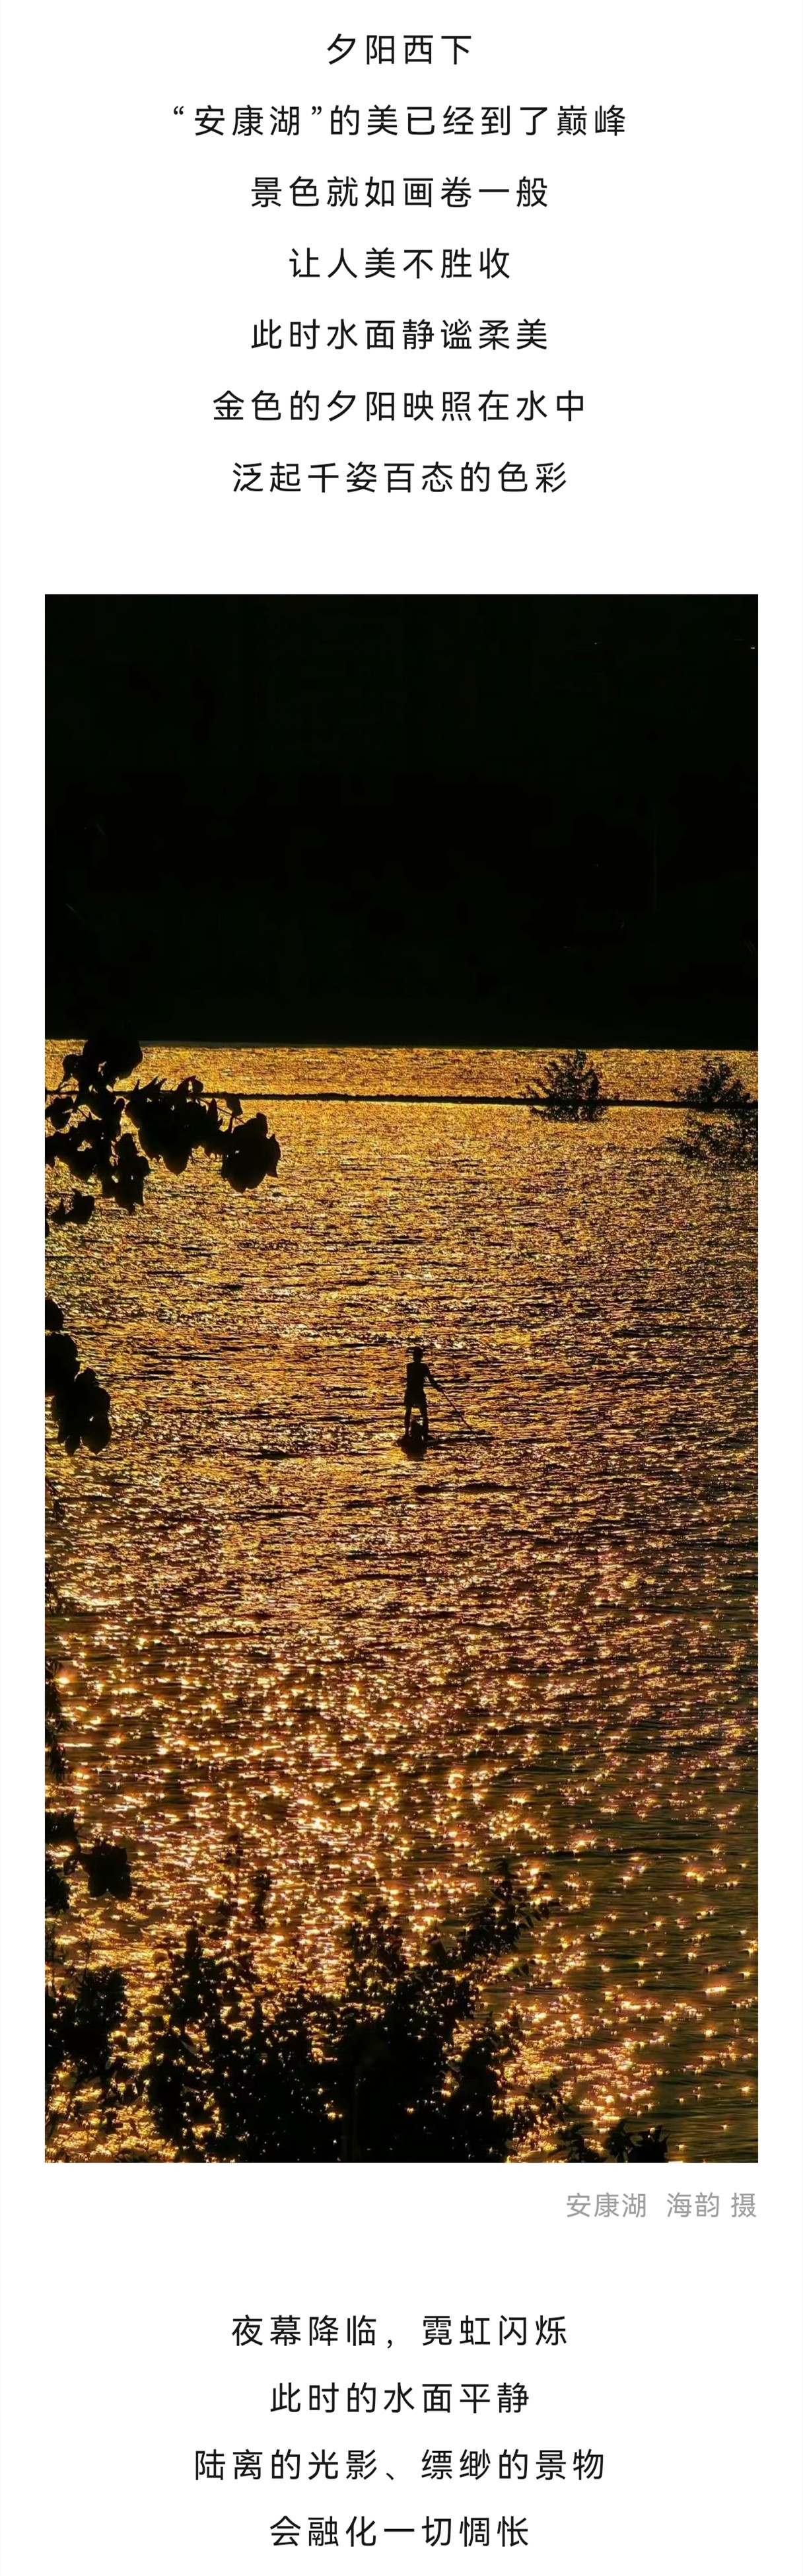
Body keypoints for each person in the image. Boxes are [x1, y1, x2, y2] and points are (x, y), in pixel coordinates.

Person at [404, 1342, 439, 1441]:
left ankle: (409, 1434)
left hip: (414, 1392)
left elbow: (431, 1380)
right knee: (422, 1415)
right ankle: (419, 1434)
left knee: (413, 1413)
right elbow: (431, 1380)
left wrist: (437, 1388)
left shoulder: (410, 1367)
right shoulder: (419, 1367)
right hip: (414, 1392)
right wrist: (437, 1387)